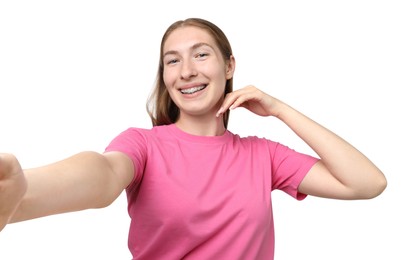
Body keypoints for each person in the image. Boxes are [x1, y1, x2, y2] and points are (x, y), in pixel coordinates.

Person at [0, 18, 387, 259]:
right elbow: (101, 176)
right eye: (172, 60)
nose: (186, 71)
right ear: (165, 77)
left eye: (200, 55)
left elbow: (367, 183)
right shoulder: (144, 144)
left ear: (228, 65)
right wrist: (24, 190)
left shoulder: (263, 155)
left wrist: (280, 108)